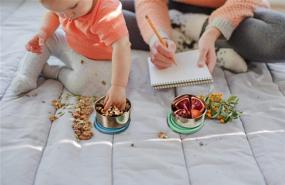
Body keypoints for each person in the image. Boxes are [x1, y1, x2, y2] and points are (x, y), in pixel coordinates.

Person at [10, 0, 131, 110]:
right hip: (73, 47)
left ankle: (54, 72)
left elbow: (122, 47)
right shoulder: (63, 5)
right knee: (44, 39)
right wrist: (43, 32)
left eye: (73, 6)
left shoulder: (107, 14)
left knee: (97, 86)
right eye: (60, 11)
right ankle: (26, 75)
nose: (67, 16)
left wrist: (118, 86)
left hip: (101, 61)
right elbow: (53, 14)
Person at [122, 0, 285, 73]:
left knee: (280, 35)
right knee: (108, 14)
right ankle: (180, 31)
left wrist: (213, 31)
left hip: (233, 10)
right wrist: (159, 38)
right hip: (175, 6)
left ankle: (185, 30)